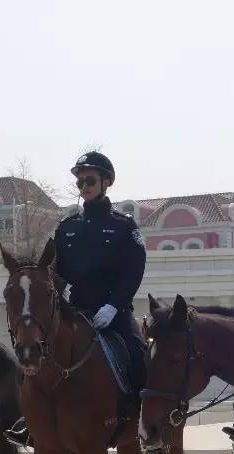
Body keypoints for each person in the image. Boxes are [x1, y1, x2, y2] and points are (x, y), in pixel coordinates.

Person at [55, 151, 147, 408]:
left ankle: (143, 424)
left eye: (90, 181)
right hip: (77, 311)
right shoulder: (67, 227)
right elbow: (56, 273)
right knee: (39, 354)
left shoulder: (123, 225)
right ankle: (30, 423)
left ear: (107, 182)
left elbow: (133, 271)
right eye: (80, 182)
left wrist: (113, 305)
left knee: (138, 358)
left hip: (113, 312)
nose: (84, 187)